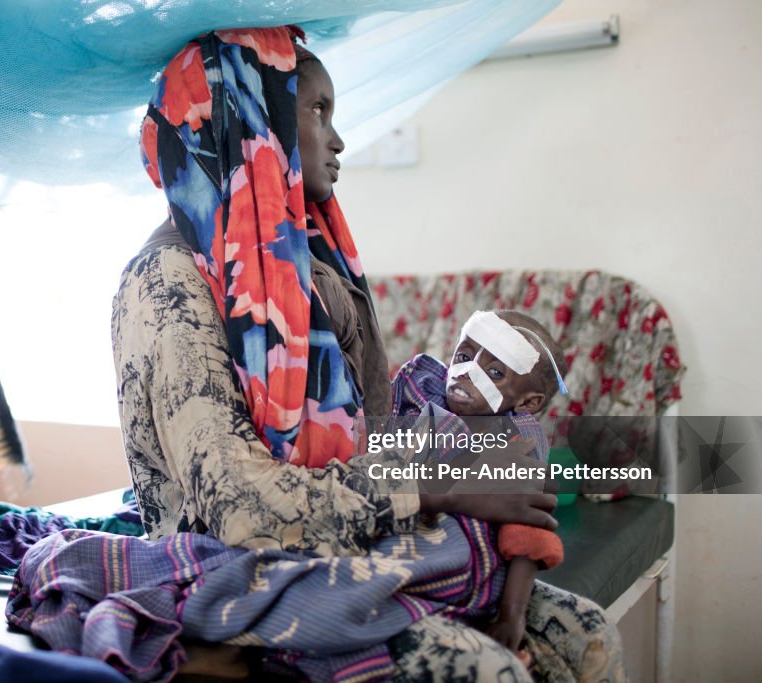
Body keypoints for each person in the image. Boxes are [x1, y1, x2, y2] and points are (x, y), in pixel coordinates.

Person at [114, 26, 624, 681]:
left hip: (348, 540)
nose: (337, 138)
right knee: (489, 671)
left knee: (589, 637)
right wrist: (437, 487)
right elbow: (237, 507)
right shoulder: (167, 281)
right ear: (251, 116)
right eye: (316, 110)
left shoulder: (298, 269)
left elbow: (371, 437)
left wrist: (480, 463)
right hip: (241, 568)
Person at [391, 309, 570, 659]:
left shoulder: (519, 449)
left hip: (466, 574)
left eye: (495, 372)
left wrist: (512, 617)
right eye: (463, 355)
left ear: (528, 402)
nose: (465, 372)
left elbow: (528, 535)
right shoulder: (421, 396)